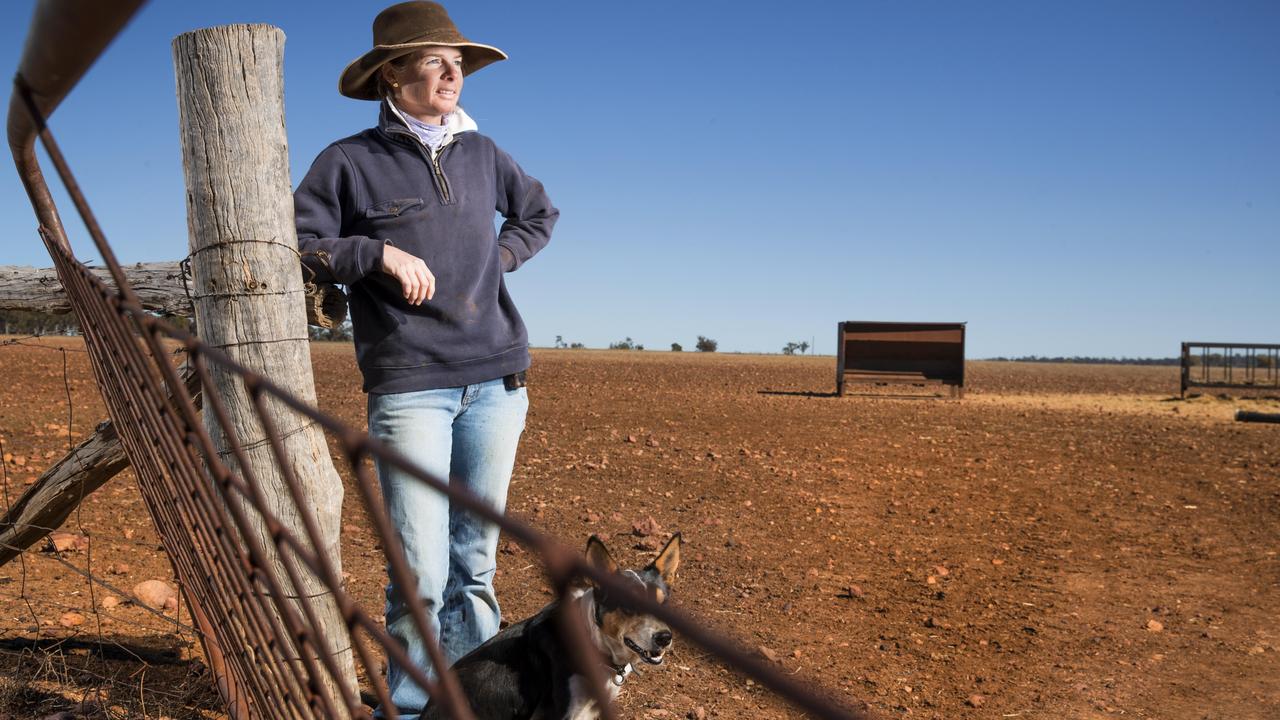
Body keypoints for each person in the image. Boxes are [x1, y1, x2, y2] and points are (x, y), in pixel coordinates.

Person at [293, 2, 557, 715]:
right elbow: (301, 239)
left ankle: (467, 706)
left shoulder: (485, 153)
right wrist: (374, 253)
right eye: (434, 60)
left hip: (497, 382)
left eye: (458, 61)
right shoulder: (348, 161)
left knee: (474, 567)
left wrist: (497, 261)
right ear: (391, 74)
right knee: (419, 571)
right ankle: (408, 709)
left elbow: (540, 215)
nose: (453, 71)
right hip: (411, 388)